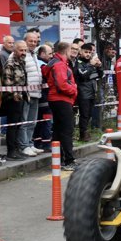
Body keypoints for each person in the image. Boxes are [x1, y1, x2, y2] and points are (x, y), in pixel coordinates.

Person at [43, 41, 79, 170]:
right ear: (66, 50)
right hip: (62, 100)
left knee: (58, 131)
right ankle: (68, 160)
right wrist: (74, 89)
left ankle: (59, 159)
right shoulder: (59, 65)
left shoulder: (57, 63)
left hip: (58, 100)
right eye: (71, 50)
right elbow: (62, 84)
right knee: (66, 130)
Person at [3, 41, 31, 160]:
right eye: (21, 50)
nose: (23, 52)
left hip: (22, 97)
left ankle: (17, 149)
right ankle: (11, 151)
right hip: (12, 99)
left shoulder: (22, 62)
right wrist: (15, 94)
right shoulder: (10, 63)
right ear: (15, 50)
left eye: (25, 50)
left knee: (19, 125)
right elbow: (7, 82)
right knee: (13, 126)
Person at [19, 29, 44, 156]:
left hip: (36, 93)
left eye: (35, 41)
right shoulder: (21, 54)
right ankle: (23, 145)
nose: (33, 43)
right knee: (24, 122)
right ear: (25, 41)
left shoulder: (34, 54)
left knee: (32, 122)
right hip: (26, 94)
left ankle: (29, 143)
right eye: (30, 41)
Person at [75, 42, 103, 142]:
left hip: (91, 92)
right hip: (83, 93)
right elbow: (83, 75)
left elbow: (98, 75)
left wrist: (99, 66)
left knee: (89, 114)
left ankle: (86, 133)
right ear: (81, 52)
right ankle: (83, 135)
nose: (88, 54)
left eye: (90, 52)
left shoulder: (89, 63)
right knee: (84, 114)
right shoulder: (78, 63)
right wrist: (91, 66)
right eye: (86, 52)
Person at [33, 44, 54, 151]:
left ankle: (38, 142)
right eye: (49, 53)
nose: (52, 56)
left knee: (41, 122)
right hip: (44, 100)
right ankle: (46, 143)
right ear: (42, 54)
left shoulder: (41, 63)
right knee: (46, 121)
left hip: (42, 98)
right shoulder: (43, 65)